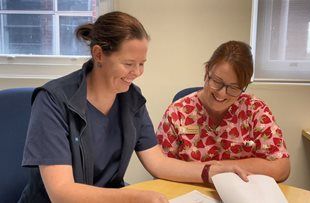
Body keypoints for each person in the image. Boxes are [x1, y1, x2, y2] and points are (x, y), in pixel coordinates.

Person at [19, 12, 249, 203]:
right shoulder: (53, 101)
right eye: (129, 64)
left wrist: (210, 171)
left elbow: (158, 162)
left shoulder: (131, 99)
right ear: (99, 54)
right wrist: (132, 197)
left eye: (142, 64)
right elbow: (61, 193)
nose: (137, 73)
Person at [156, 41, 290, 183]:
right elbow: (161, 166)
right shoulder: (178, 113)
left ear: (244, 86)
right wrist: (209, 171)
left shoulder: (255, 111)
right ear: (207, 71)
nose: (222, 94)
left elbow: (282, 167)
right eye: (217, 82)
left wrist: (222, 168)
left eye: (233, 87)